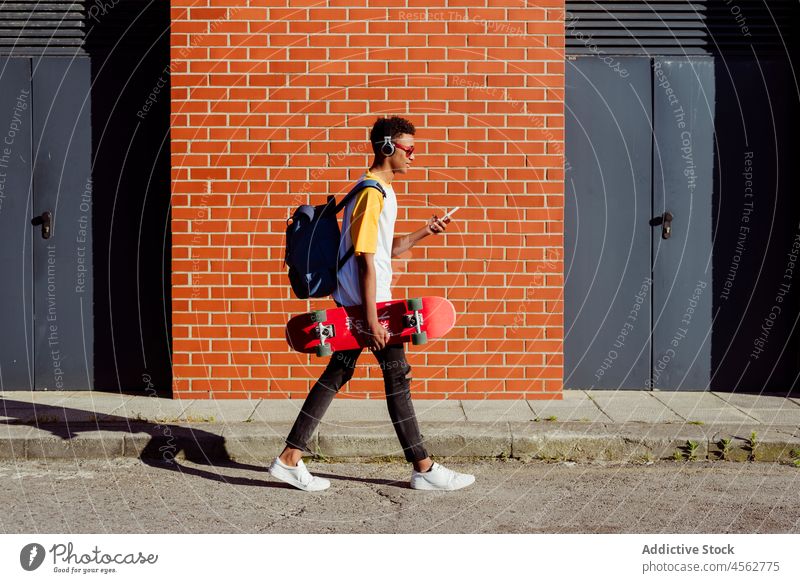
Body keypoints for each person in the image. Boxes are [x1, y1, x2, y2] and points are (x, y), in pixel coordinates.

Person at [269, 116, 475, 492]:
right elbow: (365, 258)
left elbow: (386, 249)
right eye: (407, 148)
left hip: (367, 306)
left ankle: (289, 459)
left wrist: (426, 231)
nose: (414, 155)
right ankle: (424, 469)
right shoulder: (370, 193)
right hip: (366, 308)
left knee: (339, 375)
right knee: (396, 377)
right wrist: (371, 319)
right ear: (386, 148)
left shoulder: (381, 192)